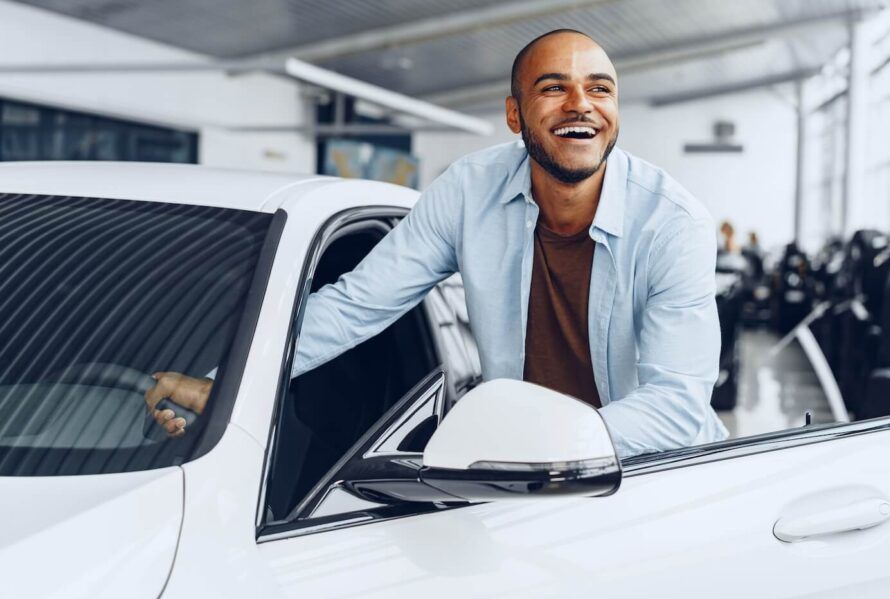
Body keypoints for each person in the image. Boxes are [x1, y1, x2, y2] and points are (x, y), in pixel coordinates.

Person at [147, 29, 728, 458]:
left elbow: (675, 407)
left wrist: (541, 444)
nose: (581, 104)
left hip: (654, 477)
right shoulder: (470, 191)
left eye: (599, 89)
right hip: (524, 478)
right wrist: (224, 383)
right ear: (513, 114)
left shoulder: (671, 225)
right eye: (554, 88)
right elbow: (355, 305)